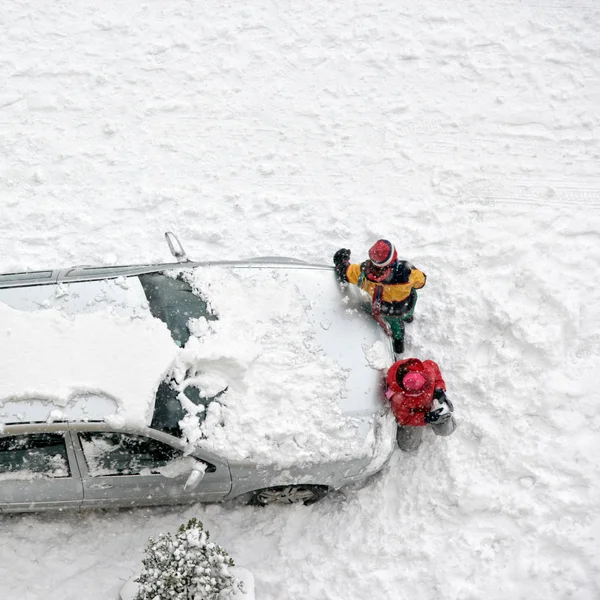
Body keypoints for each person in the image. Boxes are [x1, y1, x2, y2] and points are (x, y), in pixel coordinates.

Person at [333, 239, 426, 354]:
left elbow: (346, 272)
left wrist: (342, 261)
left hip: (386, 310)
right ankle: (408, 318)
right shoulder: (406, 271)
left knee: (394, 325)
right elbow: (421, 282)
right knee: (410, 303)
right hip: (406, 304)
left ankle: (398, 343)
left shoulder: (364, 273)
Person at [385, 357, 456, 451]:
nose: (424, 392)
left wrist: (439, 390)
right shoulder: (398, 399)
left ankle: (447, 418)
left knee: (446, 430)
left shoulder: (428, 370)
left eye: (426, 387)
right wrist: (425, 418)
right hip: (416, 414)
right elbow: (404, 419)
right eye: (419, 392)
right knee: (408, 446)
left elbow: (436, 373)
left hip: (432, 404)